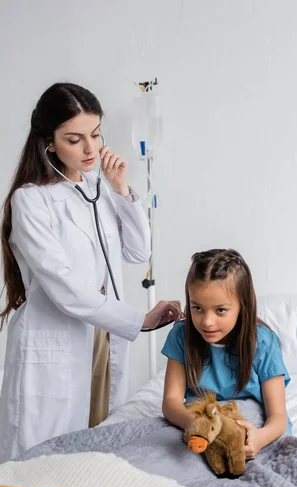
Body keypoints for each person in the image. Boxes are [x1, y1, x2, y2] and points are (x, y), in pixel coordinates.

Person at [0, 82, 182, 462]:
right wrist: (141, 320)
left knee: (90, 448)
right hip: (56, 341)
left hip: (101, 335)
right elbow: (64, 289)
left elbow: (138, 252)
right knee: (39, 461)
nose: (90, 149)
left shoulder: (99, 188)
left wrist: (121, 190)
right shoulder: (30, 200)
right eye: (74, 139)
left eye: (96, 135)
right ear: (49, 143)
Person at [162, 249, 292, 460]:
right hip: (198, 420)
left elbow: (278, 418)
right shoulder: (181, 336)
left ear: (243, 306)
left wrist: (258, 439)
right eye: (197, 308)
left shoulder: (263, 342)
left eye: (220, 310)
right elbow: (171, 402)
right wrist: (195, 425)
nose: (207, 322)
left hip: (249, 422)